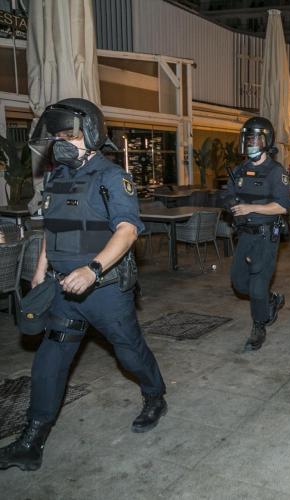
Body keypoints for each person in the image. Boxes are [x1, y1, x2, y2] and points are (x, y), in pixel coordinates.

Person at [0, 98, 167, 472]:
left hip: (105, 290)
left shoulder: (112, 177)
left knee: (129, 352)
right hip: (63, 291)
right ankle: (32, 440)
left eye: (69, 135)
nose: (61, 142)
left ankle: (155, 395)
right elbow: (52, 229)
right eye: (58, 136)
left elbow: (128, 231)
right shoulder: (56, 177)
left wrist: (93, 269)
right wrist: (41, 270)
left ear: (91, 134)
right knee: (49, 361)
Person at [222, 117, 289, 352]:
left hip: (266, 235)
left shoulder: (275, 172)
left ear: (266, 141)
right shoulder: (239, 170)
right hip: (244, 234)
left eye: (255, 140)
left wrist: (251, 208)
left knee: (258, 285)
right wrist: (231, 203)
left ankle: (259, 326)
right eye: (248, 139)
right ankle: (271, 300)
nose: (250, 144)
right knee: (240, 283)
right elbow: (227, 194)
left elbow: (282, 206)